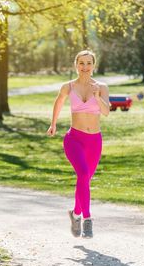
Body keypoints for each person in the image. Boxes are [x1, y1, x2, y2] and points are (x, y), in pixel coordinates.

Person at [47, 50, 110, 239]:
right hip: (74, 139)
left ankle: (75, 214)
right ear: (76, 65)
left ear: (93, 65)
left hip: (94, 141)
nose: (85, 67)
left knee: (84, 180)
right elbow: (58, 103)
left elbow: (106, 112)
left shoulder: (102, 87)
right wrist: (53, 123)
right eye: (81, 63)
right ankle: (87, 220)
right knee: (82, 174)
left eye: (88, 63)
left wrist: (97, 96)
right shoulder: (68, 86)